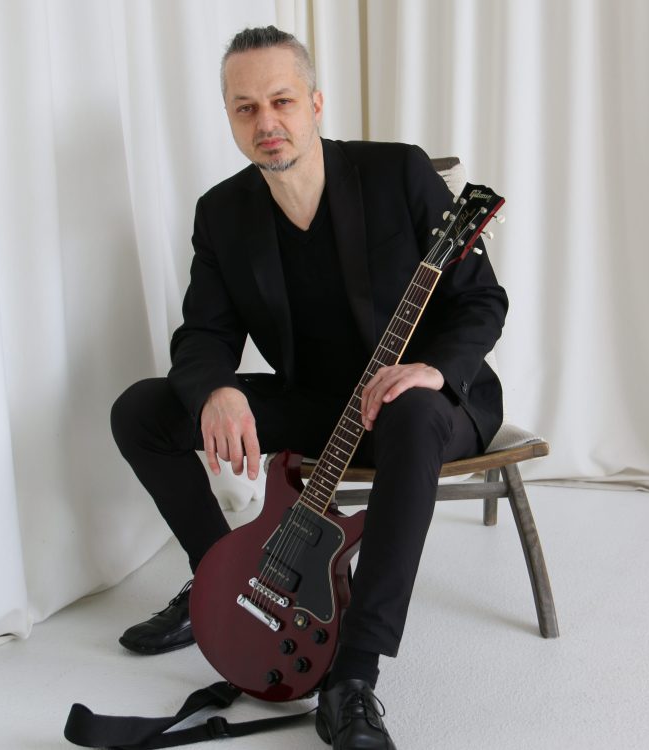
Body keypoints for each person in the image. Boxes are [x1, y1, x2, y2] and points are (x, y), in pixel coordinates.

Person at [110, 25, 508, 750]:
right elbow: (202, 335)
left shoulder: (398, 173)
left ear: (315, 103)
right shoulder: (222, 213)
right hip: (319, 404)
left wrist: (433, 369)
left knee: (412, 411)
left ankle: (354, 673)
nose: (266, 121)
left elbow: (482, 299)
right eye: (246, 108)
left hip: (423, 406)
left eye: (282, 100)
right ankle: (225, 586)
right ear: (230, 117)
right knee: (142, 410)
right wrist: (216, 390)